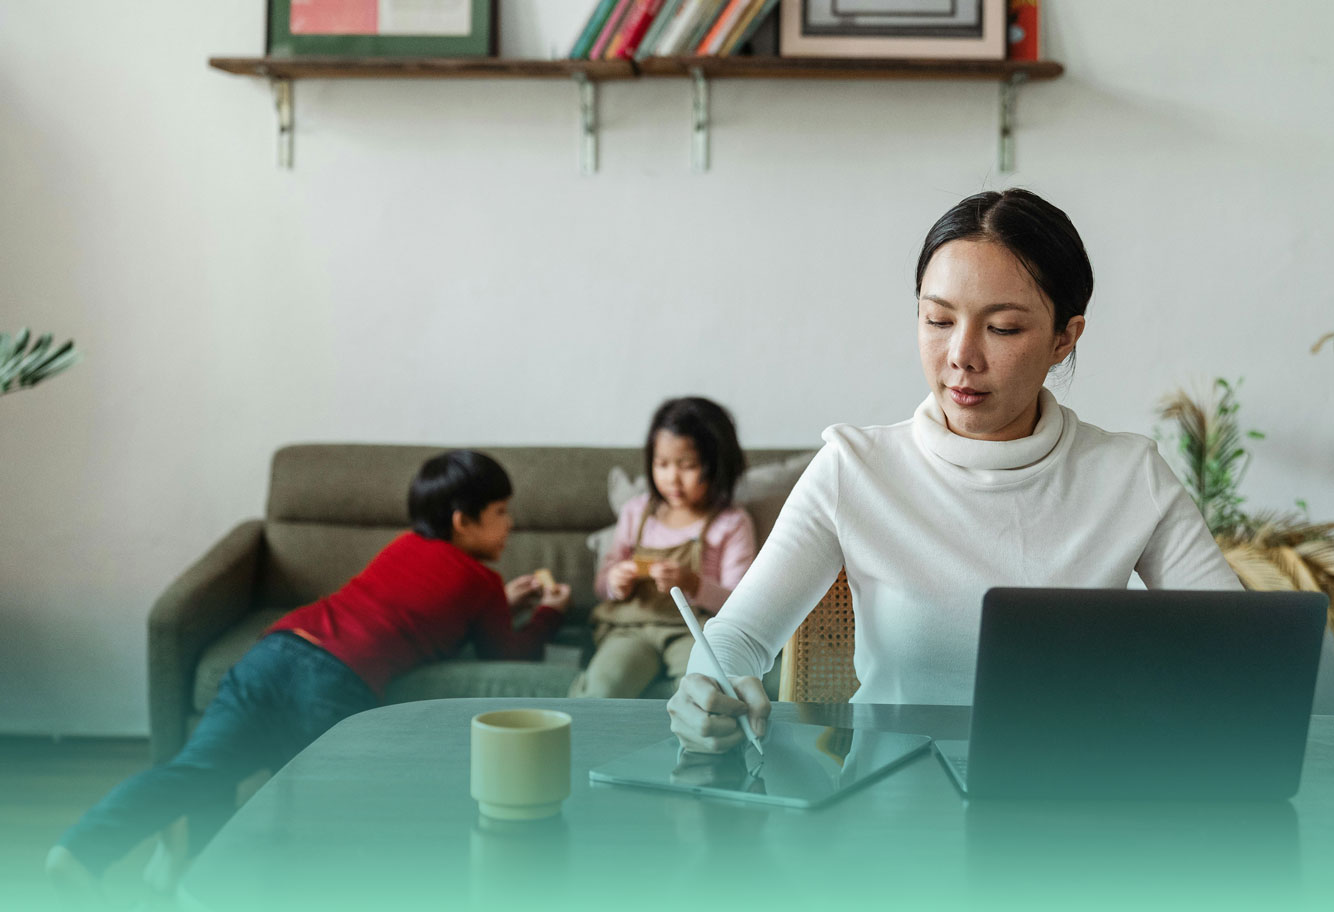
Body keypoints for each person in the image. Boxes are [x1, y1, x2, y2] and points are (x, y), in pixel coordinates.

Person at [667, 188, 1243, 752]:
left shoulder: (1127, 474)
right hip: (892, 817)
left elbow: (1238, 648)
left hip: (1068, 809)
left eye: (1003, 328)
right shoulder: (854, 469)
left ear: (1065, 337)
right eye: (938, 320)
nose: (962, 355)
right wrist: (708, 687)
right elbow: (738, 637)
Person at [46, 450, 570, 895]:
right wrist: (549, 611)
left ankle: (83, 851)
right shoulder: (480, 579)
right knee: (335, 811)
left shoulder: (403, 547)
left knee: (203, 767)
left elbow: (413, 603)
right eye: (501, 512)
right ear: (463, 520)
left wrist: (502, 599)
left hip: (276, 648)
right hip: (335, 680)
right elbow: (512, 653)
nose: (511, 524)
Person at [572, 397, 757, 698]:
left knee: (702, 694)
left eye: (688, 466)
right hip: (632, 627)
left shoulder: (732, 523)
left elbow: (740, 604)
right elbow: (602, 583)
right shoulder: (636, 512)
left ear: (717, 465)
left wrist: (693, 583)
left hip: (694, 631)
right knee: (603, 687)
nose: (672, 478)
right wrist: (615, 582)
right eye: (662, 464)